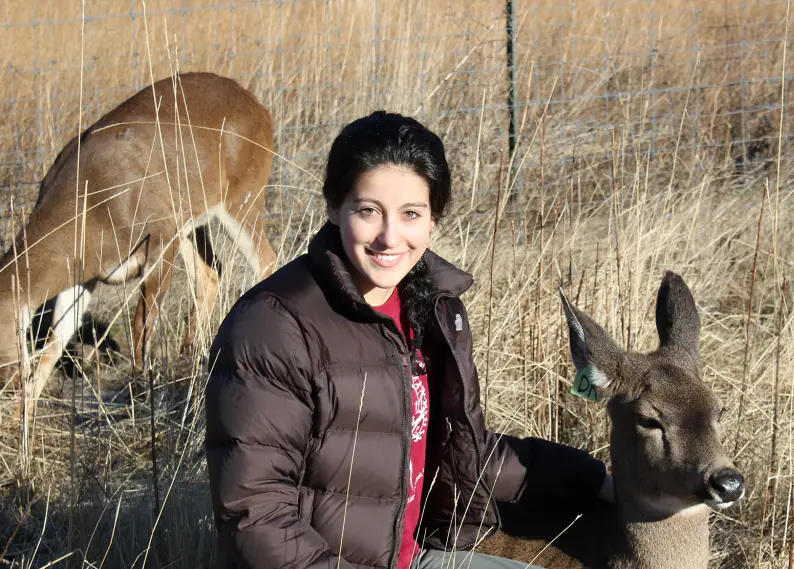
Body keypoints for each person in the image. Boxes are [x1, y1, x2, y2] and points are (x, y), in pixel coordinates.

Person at [204, 110, 614, 569]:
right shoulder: (273, 327)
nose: (389, 237)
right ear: (334, 207)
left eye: (411, 214)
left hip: (410, 558)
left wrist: (596, 478)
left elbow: (462, 456)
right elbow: (255, 514)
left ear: (434, 219)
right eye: (368, 211)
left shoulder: (431, 309)